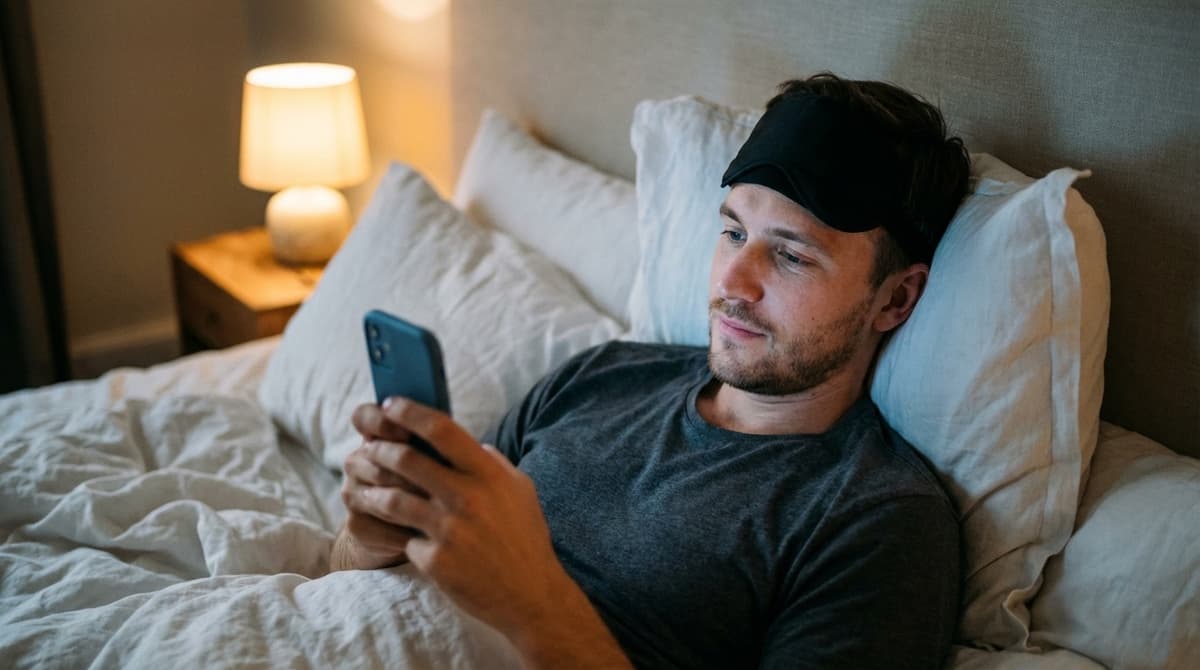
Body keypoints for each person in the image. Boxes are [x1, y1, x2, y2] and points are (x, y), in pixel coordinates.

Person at [330, 73, 971, 669]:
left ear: (895, 299)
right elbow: (348, 584)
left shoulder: (879, 520)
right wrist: (368, 539)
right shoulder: (603, 373)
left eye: (791, 256)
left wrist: (530, 601)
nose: (733, 283)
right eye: (733, 233)